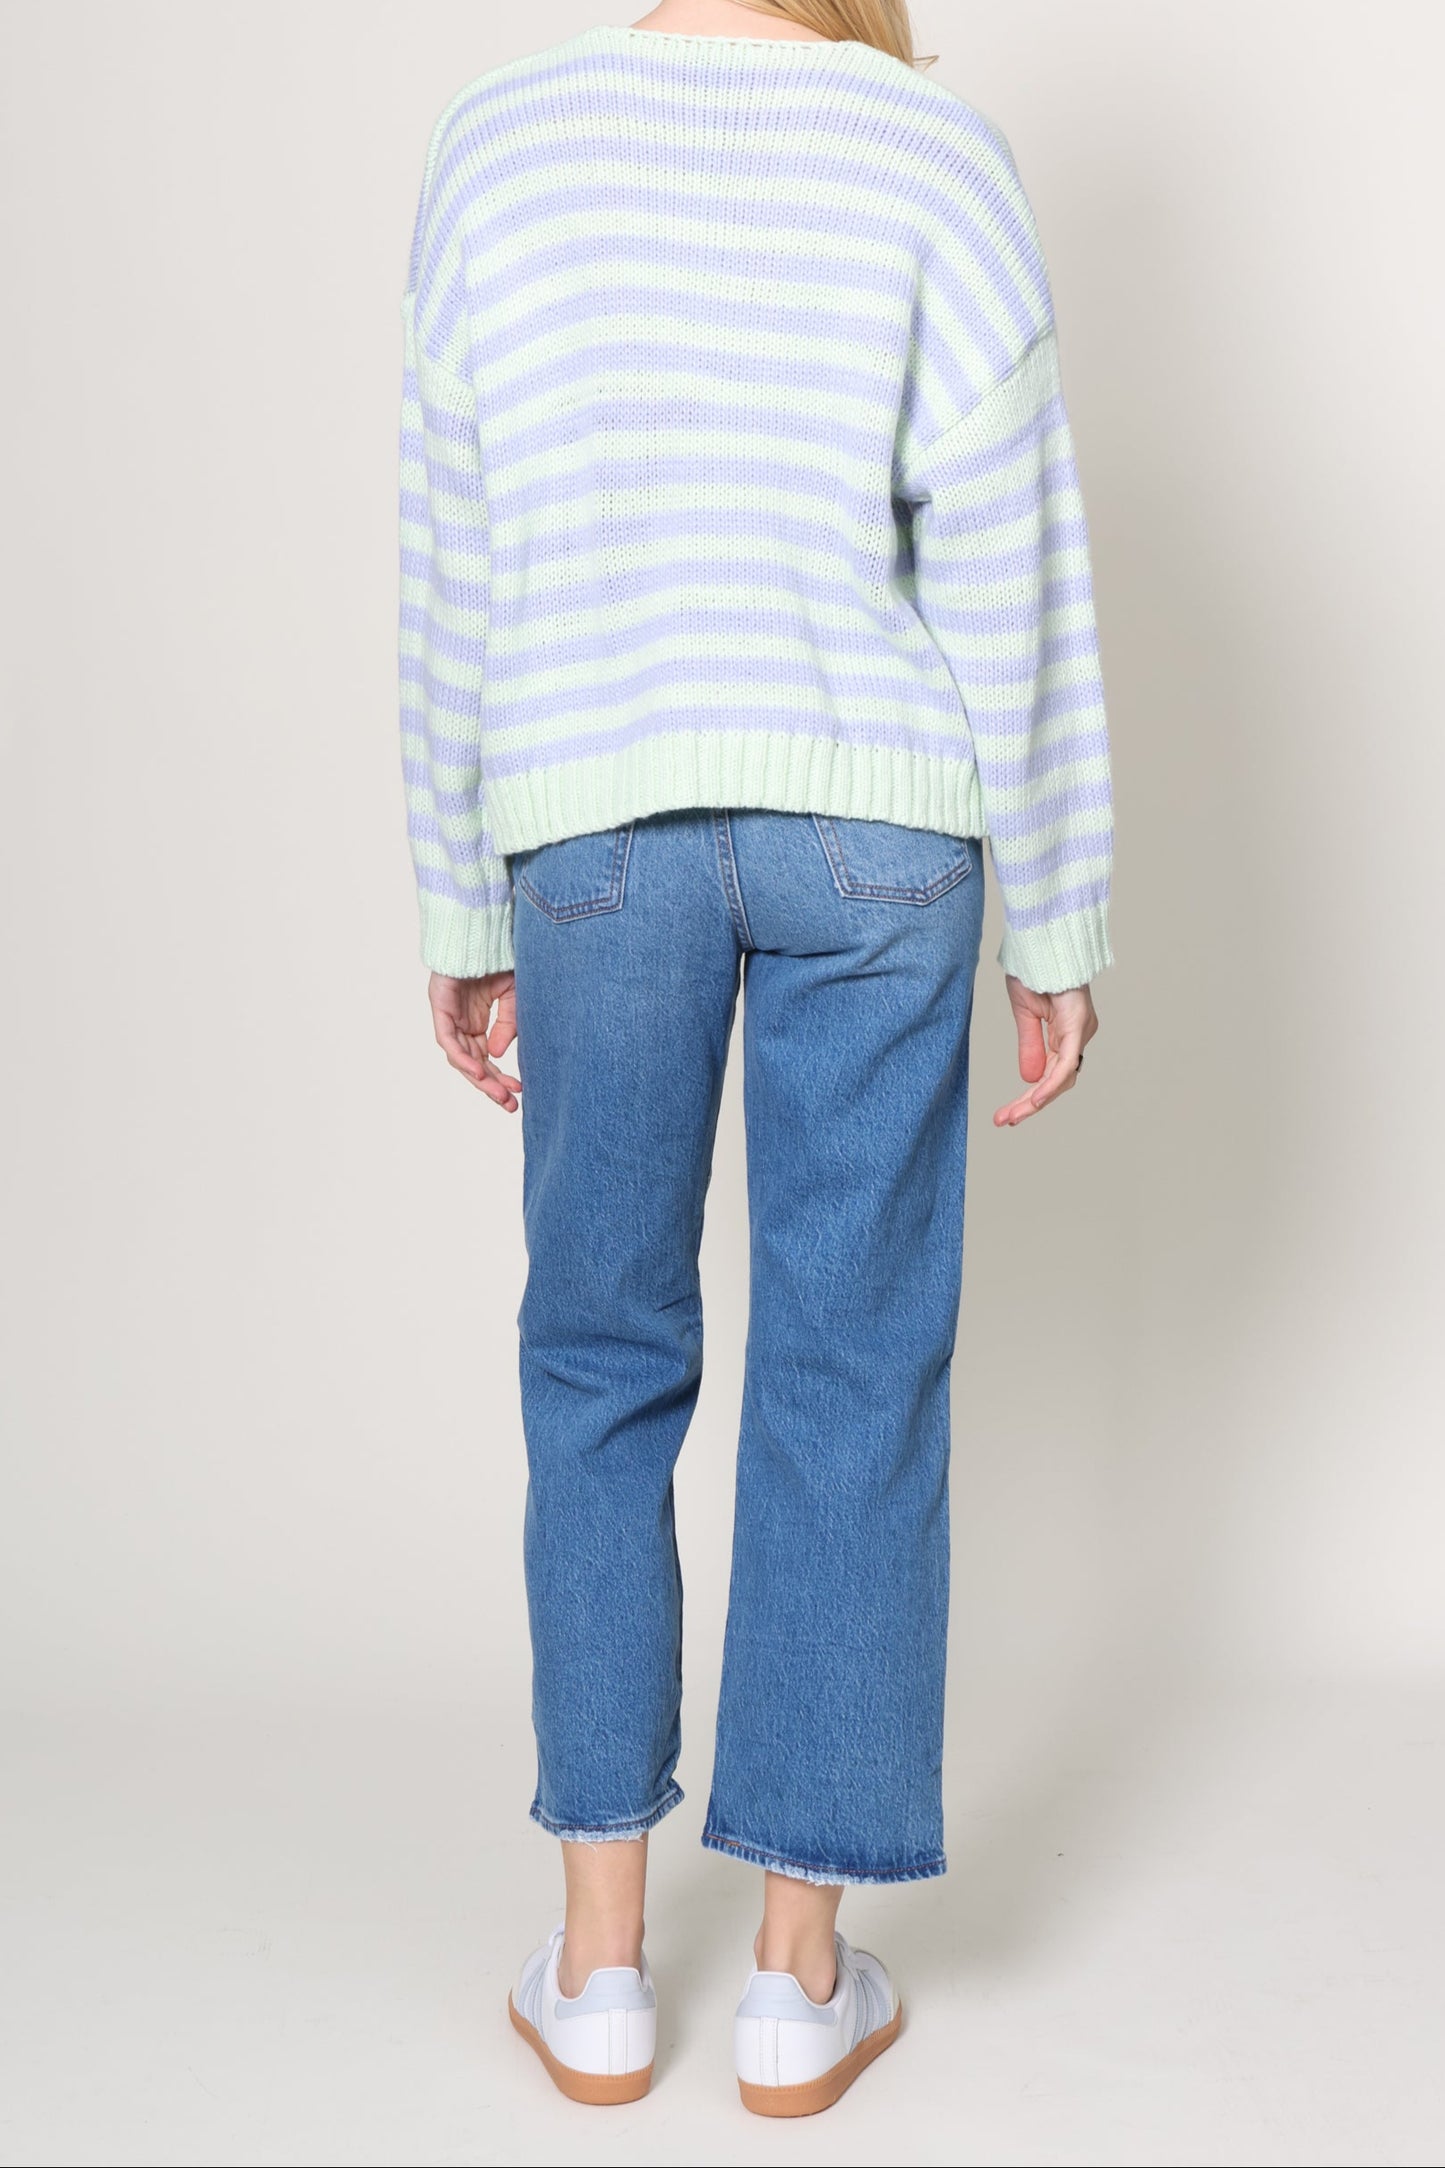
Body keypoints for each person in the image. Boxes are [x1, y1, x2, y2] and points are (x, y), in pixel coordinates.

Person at [398, 0, 1111, 2117]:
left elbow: (454, 557)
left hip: (593, 828)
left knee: (598, 1357)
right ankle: (802, 1982)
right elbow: (1011, 559)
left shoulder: (499, 145)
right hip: (875, 830)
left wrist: (457, 895)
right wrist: (1059, 911)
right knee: (852, 1366)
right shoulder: (928, 154)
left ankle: (599, 1968)